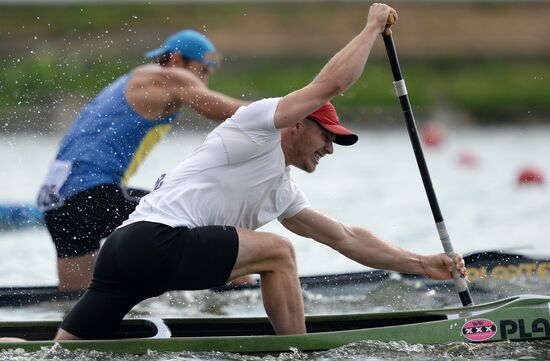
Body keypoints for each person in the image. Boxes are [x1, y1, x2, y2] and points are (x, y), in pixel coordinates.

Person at [53, 3, 466, 340]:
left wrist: (421, 263)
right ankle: (297, 351)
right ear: (299, 124)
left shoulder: (282, 191)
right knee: (278, 252)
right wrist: (372, 28)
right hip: (153, 241)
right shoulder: (257, 128)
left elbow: (346, 238)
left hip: (123, 257)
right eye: (327, 137)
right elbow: (330, 85)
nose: (330, 149)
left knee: (60, 351)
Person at [36, 29, 249, 291]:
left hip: (58, 206)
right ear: (175, 60)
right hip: (92, 196)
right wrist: (286, 112)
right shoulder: (166, 77)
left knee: (77, 300)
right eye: (201, 69)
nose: (203, 80)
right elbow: (222, 110)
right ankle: (237, 298)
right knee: (217, 227)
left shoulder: (134, 81)